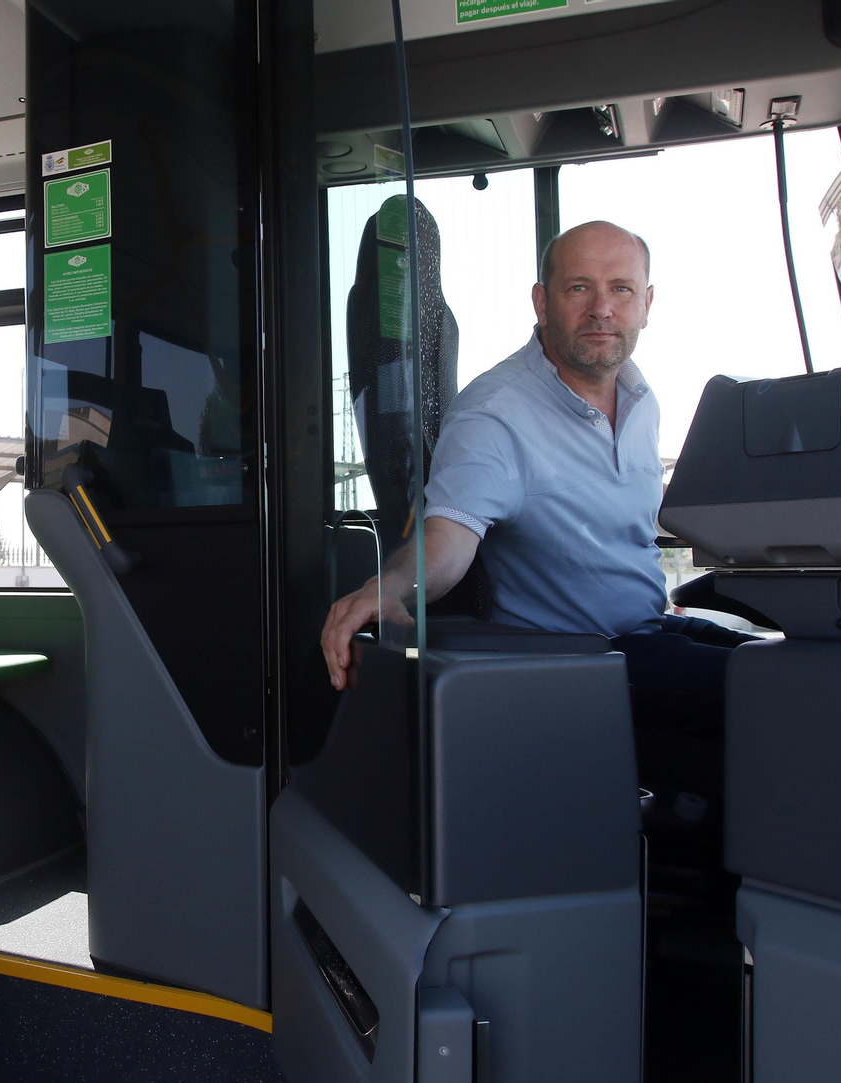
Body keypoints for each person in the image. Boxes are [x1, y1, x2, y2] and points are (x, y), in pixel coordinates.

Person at [320, 220, 754, 794]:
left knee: (818, 668)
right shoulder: (495, 415)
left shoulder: (641, 397)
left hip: (654, 628)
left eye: (621, 289)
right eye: (579, 288)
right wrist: (392, 586)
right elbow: (446, 542)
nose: (602, 308)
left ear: (646, 304)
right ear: (542, 301)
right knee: (800, 697)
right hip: (589, 660)